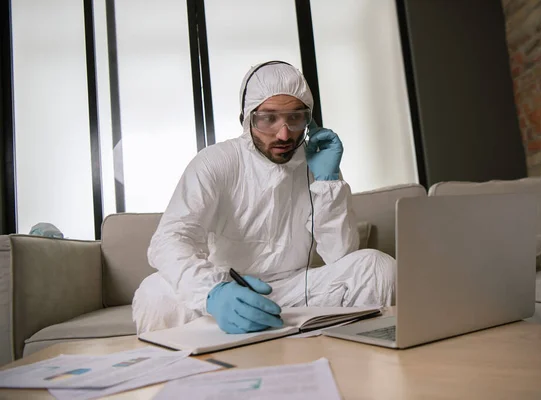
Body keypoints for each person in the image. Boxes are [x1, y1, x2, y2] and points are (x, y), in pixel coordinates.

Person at [132, 61, 396, 334]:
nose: (284, 134)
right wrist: (213, 291)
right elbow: (169, 240)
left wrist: (328, 183)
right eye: (268, 119)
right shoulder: (217, 161)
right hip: (228, 288)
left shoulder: (317, 163)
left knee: (378, 267)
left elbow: (341, 256)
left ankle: (357, 356)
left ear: (309, 119)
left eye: (295, 118)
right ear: (247, 119)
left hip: (294, 290)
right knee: (154, 294)